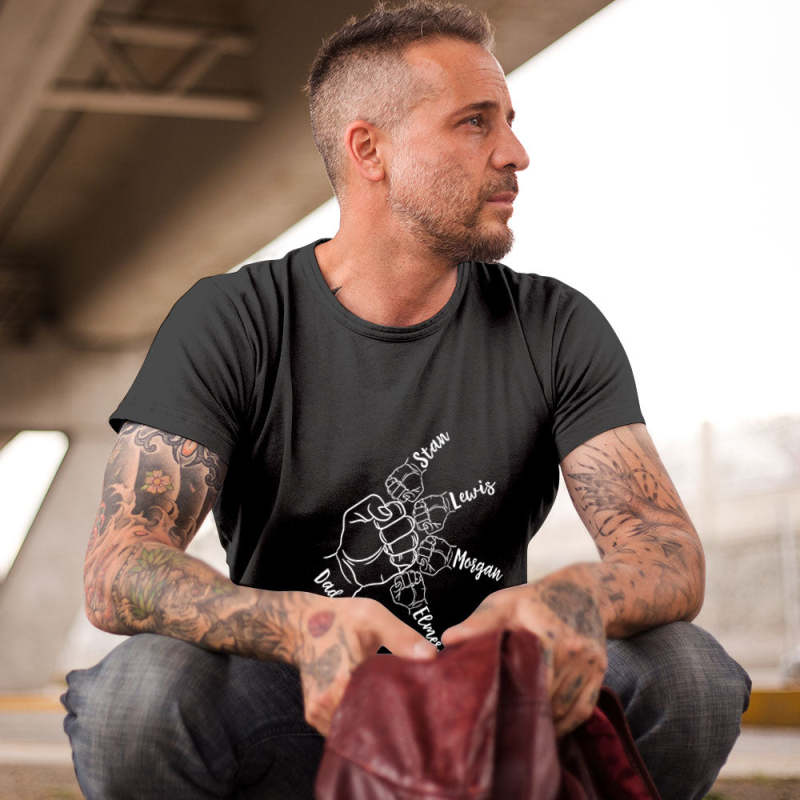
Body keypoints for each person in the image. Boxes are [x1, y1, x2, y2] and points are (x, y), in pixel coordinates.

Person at [62, 2, 751, 798]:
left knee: (690, 675)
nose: (516, 153)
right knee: (133, 700)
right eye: (475, 122)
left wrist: (574, 598)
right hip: (297, 692)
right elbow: (118, 567)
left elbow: (665, 548)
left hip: (495, 699)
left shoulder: (554, 325)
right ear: (370, 150)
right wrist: (303, 625)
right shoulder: (232, 319)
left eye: (510, 121)